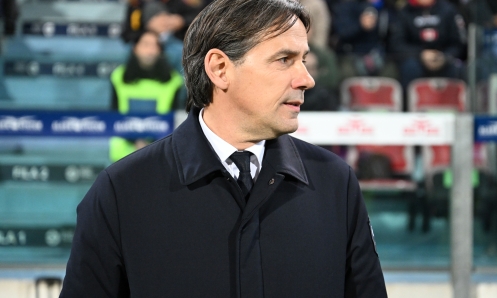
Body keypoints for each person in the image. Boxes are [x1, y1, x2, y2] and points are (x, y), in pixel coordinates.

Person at [60, 0, 387, 297]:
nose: (306, 79)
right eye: (284, 59)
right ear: (219, 69)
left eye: (303, 59)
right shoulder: (121, 191)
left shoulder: (336, 184)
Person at [109, 30, 184, 162]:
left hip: (160, 154)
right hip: (121, 155)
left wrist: (148, 144)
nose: (151, 50)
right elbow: (113, 115)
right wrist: (136, 141)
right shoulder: (118, 77)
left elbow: (175, 121)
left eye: (156, 46)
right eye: (146, 45)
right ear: (135, 49)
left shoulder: (174, 81)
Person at [389, 0, 466, 93]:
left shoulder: (448, 10)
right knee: (410, 68)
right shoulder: (404, 12)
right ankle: (408, 105)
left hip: (443, 58)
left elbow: (458, 43)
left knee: (458, 70)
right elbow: (397, 44)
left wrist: (444, 56)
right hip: (416, 58)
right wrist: (421, 54)